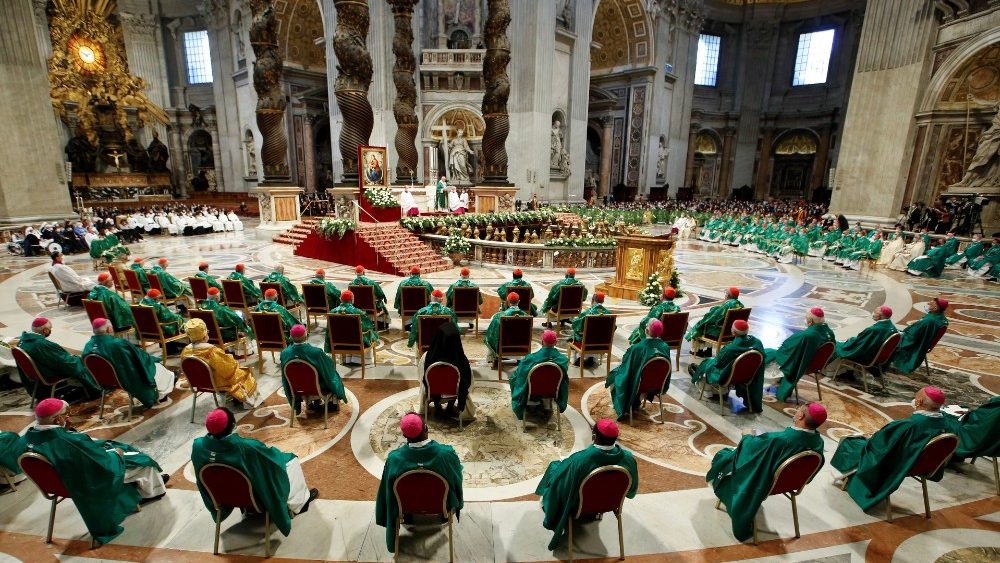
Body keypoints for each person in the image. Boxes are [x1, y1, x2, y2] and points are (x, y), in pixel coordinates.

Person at [24, 398, 167, 545]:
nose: (69, 418)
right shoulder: (67, 441)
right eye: (67, 415)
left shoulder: (29, 436)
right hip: (89, 481)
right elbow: (102, 466)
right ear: (58, 419)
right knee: (141, 460)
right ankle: (153, 492)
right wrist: (116, 454)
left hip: (60, 483)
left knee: (112, 447)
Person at [192, 408, 318, 542]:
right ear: (233, 425)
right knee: (290, 461)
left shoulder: (197, 446)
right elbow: (273, 462)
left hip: (222, 497)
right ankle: (300, 503)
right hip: (255, 497)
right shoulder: (247, 447)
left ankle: (248, 508)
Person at [707, 403, 827, 543]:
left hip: (764, 483)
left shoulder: (778, 440)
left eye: (799, 409)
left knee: (724, 455)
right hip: (787, 483)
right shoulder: (818, 443)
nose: (797, 411)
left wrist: (747, 436)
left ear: (800, 416)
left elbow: (749, 452)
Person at [830, 386, 962, 511]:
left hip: (897, 464)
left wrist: (869, 438)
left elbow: (879, 446)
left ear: (920, 402)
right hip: (921, 466)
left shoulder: (909, 425)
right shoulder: (948, 425)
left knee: (851, 442)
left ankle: (853, 477)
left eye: (916, 397)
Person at [535, 419, 639, 551]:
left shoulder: (579, 460)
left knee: (555, 468)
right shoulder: (629, 459)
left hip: (580, 505)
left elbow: (562, 488)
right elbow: (632, 490)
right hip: (612, 501)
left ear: (594, 436)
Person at [375, 413, 463, 554]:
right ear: (426, 429)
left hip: (405, 506)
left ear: (404, 436)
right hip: (441, 505)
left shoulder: (394, 459)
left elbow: (386, 491)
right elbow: (457, 479)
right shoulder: (447, 455)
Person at [82, 318, 174, 407]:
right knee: (155, 366)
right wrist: (150, 358)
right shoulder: (118, 344)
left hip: (105, 381)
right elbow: (139, 358)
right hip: (125, 379)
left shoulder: (88, 346)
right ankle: (160, 395)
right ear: (109, 329)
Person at [181, 318, 261, 409]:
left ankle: (232, 398)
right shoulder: (211, 351)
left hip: (198, 383)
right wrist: (232, 360)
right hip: (217, 383)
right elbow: (228, 369)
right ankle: (240, 399)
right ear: (204, 336)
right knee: (244, 372)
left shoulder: (185, 351)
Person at [689, 320, 766, 413]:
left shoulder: (730, 348)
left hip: (727, 377)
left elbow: (717, 363)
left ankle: (705, 387)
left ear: (733, 332)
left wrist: (707, 362)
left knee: (707, 363)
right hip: (747, 377)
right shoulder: (758, 343)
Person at [16, 317, 100, 400]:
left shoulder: (23, 341)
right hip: (48, 374)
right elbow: (63, 362)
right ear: (45, 330)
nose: (50, 330)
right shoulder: (40, 344)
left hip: (38, 375)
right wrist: (77, 359)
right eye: (50, 328)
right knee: (79, 362)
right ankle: (94, 389)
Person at [763, 307, 836, 402]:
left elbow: (787, 350)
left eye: (806, 317)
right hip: (816, 365)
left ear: (810, 321)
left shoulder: (807, 336)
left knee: (768, 353)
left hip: (803, 366)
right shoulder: (829, 332)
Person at [606, 319, 673, 420]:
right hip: (658, 384)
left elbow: (627, 366)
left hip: (639, 385)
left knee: (615, 375)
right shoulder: (665, 347)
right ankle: (638, 400)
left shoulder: (637, 348)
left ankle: (627, 405)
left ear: (646, 330)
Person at [280, 325, 347, 414]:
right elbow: (328, 369)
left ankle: (311, 403)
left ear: (291, 337)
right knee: (332, 375)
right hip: (318, 387)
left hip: (296, 387)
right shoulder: (316, 352)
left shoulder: (284, 353)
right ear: (306, 335)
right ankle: (331, 403)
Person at [418, 323, 475, 421]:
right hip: (455, 391)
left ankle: (437, 406)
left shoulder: (426, 357)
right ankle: (450, 406)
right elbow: (468, 381)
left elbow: (421, 377)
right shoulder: (462, 360)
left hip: (433, 389)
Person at [509, 330, 569, 423]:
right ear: (556, 343)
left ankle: (530, 403)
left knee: (515, 377)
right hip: (552, 391)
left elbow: (520, 376)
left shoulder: (530, 358)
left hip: (531, 390)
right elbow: (564, 380)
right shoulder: (563, 360)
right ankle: (545, 402)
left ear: (541, 342)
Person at [830, 305, 898, 376]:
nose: (873, 314)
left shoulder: (874, 330)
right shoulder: (892, 327)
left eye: (875, 313)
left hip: (867, 357)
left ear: (879, 316)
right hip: (878, 357)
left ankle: (832, 370)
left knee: (836, 346)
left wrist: (850, 340)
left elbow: (859, 346)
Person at [891, 297, 949, 375]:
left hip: (914, 342)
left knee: (888, 336)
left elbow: (912, 337)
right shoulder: (941, 318)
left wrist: (901, 334)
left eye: (930, 304)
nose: (928, 304)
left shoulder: (929, 321)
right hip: (923, 341)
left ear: (936, 308)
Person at [685, 287, 744, 357]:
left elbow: (712, 318)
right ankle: (708, 350)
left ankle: (698, 351)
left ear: (727, 296)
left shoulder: (726, 306)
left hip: (720, 333)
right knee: (707, 324)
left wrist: (703, 321)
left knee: (700, 325)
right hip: (731, 332)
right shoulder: (740, 305)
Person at [328, 289, 378, 364]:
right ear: (352, 300)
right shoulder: (358, 312)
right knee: (372, 333)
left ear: (341, 299)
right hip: (357, 343)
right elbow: (368, 326)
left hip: (339, 343)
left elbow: (328, 331)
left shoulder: (332, 312)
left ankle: (346, 359)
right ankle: (360, 360)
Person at [485, 293, 531, 366]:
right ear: (519, 301)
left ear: (508, 302)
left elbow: (491, 334)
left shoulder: (499, 316)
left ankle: (497, 358)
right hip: (521, 347)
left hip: (503, 347)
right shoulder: (527, 316)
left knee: (493, 336)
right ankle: (519, 358)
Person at [954, 395, 1000, 461]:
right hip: (993, 443)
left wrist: (968, 415)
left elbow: (978, 425)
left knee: (950, 424)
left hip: (979, 440)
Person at [570, 292, 611, 366]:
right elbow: (613, 328)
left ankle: (579, 358)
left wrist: (575, 321)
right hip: (602, 344)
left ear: (592, 300)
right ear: (603, 301)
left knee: (576, 335)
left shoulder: (588, 313)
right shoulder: (609, 314)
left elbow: (576, 325)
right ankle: (591, 358)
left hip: (586, 344)